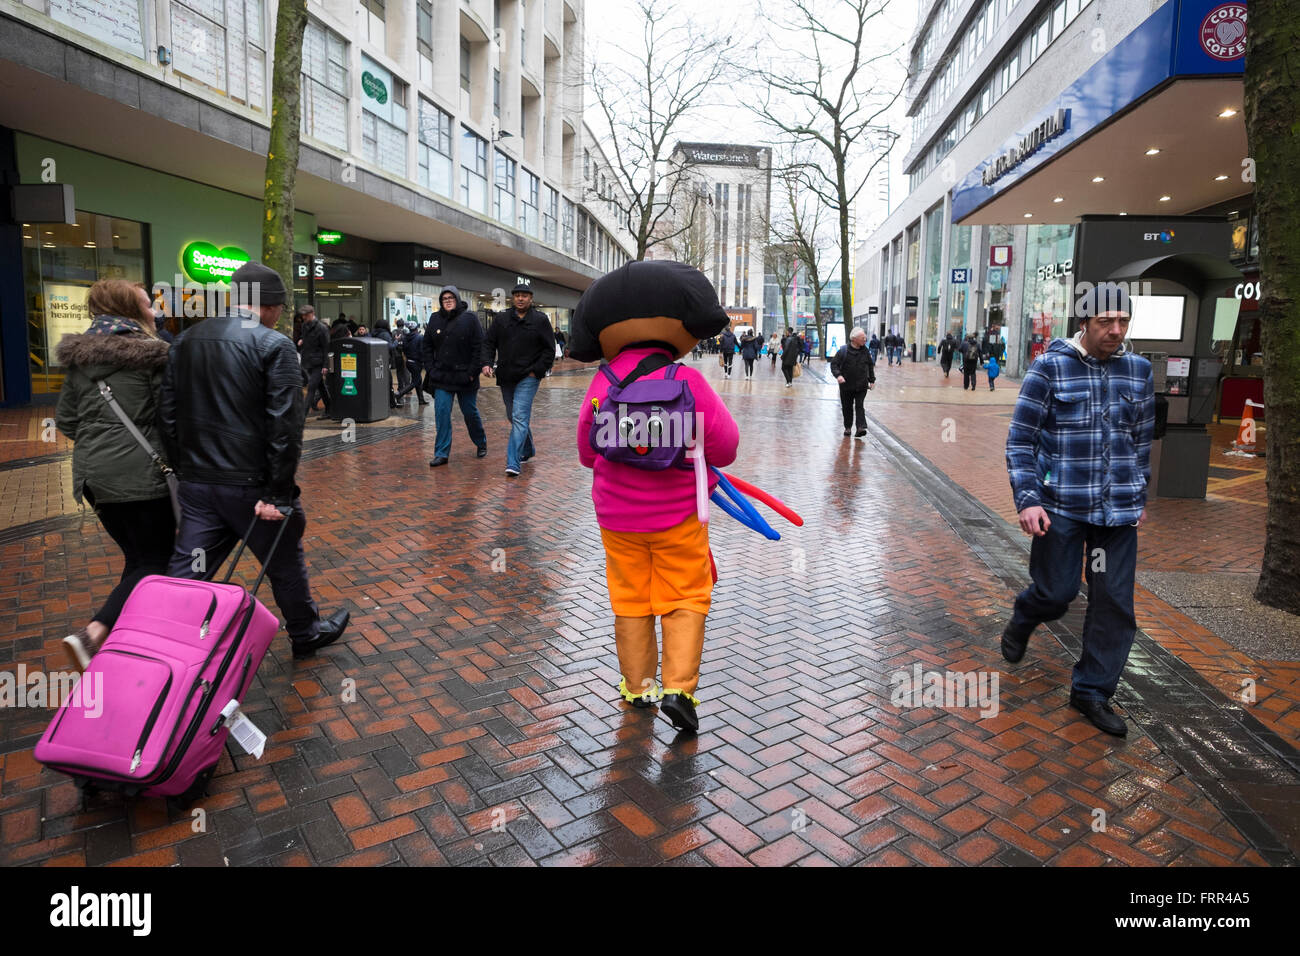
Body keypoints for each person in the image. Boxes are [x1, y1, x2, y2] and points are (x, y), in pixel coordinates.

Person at [571, 259, 738, 733]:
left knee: (630, 598)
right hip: (679, 515)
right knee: (685, 595)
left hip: (617, 518)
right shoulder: (687, 382)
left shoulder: (602, 384)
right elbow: (725, 446)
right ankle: (679, 689)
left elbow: (587, 453)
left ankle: (638, 686)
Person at [159, 260, 349, 659]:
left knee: (190, 572)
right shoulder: (273, 344)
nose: (281, 315)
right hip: (250, 486)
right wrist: (278, 493)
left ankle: (164, 642)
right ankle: (305, 631)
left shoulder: (186, 341)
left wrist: (185, 469)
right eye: (280, 306)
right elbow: (284, 427)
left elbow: (168, 415)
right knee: (283, 560)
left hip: (198, 483)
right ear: (268, 305)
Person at [1002, 285, 1155, 737]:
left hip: (1117, 513)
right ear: (1083, 322)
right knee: (1057, 593)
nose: (1115, 330)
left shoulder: (1138, 371)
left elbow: (1141, 442)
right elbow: (1020, 441)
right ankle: (1025, 616)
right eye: (1106, 321)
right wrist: (1028, 500)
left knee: (1114, 606)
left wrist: (1139, 493)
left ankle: (1091, 691)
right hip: (1063, 505)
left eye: (1122, 321)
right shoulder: (1050, 367)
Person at [56, 280, 176, 670]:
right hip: (140, 477)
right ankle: (92, 636)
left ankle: (129, 641)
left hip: (94, 479)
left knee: (138, 558)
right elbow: (169, 418)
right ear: (130, 309)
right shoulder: (153, 355)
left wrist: (101, 441)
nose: (154, 311)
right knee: (156, 560)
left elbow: (67, 421)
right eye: (147, 304)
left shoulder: (80, 360)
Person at [482, 283, 555, 477]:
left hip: (528, 377)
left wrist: (536, 371)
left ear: (531, 299)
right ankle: (529, 449)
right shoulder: (502, 318)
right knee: (513, 416)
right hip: (506, 376)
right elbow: (489, 342)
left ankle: (513, 462)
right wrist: (487, 363)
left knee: (519, 416)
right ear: (512, 298)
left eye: (524, 296)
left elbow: (549, 349)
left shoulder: (540, 320)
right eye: (517, 296)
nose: (520, 299)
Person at [425, 286, 488, 466]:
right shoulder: (435, 318)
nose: (447, 300)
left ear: (457, 299)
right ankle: (441, 453)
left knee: (469, 412)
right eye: (444, 298)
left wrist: (471, 373)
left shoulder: (470, 319)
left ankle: (481, 441)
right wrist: (430, 369)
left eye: (451, 297)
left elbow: (479, 347)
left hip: (465, 376)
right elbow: (427, 346)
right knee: (442, 413)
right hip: (442, 377)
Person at [830, 327, 875, 438]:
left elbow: (870, 365)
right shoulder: (843, 351)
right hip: (846, 386)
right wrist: (838, 376)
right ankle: (848, 427)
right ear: (854, 339)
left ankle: (860, 428)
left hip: (861, 385)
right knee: (847, 407)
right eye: (862, 337)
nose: (865, 339)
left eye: (865, 337)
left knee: (859, 405)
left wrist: (872, 380)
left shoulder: (865, 351)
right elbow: (834, 365)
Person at [296, 303, 330, 413]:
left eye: (305, 315)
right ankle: (330, 408)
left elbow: (326, 348)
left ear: (312, 314)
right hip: (308, 361)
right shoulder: (304, 326)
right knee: (321, 387)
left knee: (311, 387)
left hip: (318, 363)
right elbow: (304, 337)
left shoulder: (322, 328)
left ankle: (302, 414)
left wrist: (325, 365)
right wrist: (302, 340)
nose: (303, 317)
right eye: (303, 315)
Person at [396, 319, 430, 405]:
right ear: (416, 328)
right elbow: (422, 351)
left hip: (408, 362)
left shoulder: (405, 337)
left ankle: (421, 400)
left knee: (418, 380)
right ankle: (399, 394)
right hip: (416, 363)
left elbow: (402, 348)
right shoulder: (419, 337)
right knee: (415, 382)